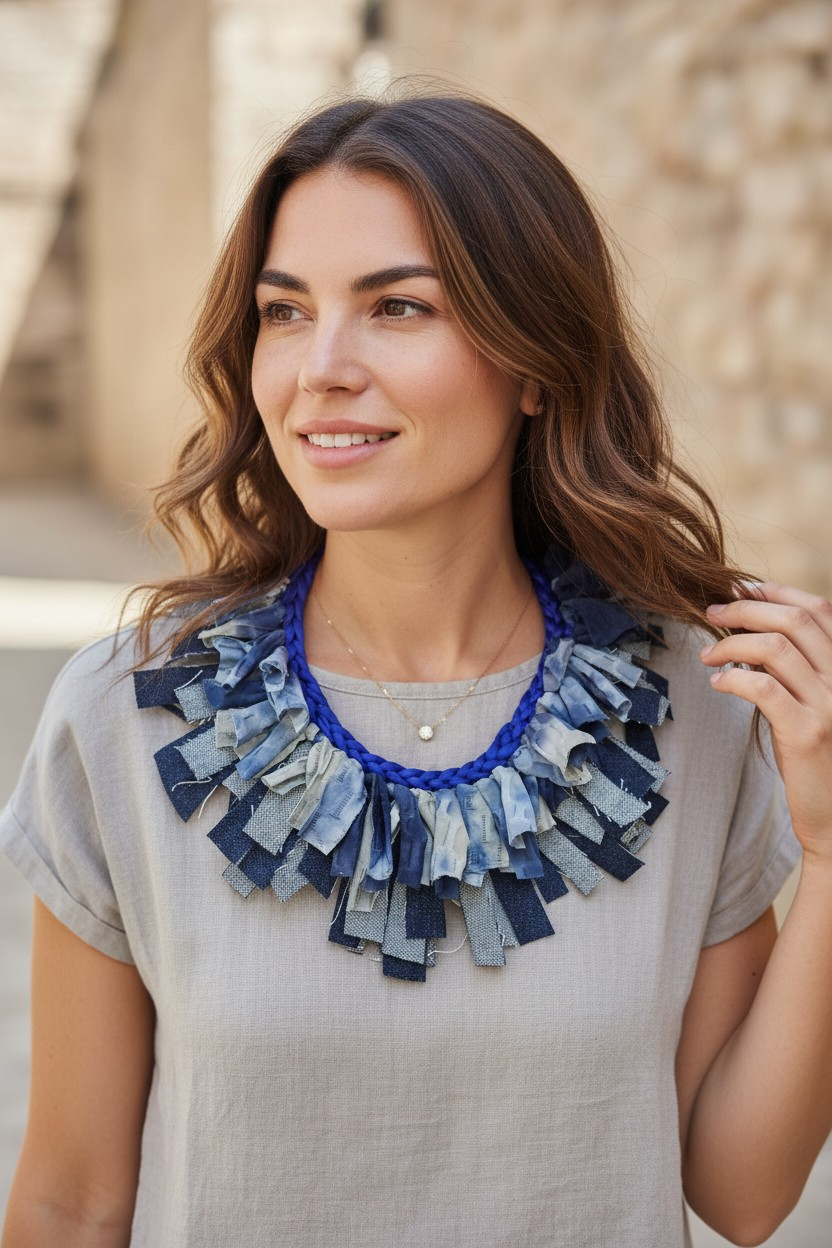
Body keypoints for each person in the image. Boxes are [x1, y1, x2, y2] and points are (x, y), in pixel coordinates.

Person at [1, 84, 830, 1248]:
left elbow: (741, 1194)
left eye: (397, 308)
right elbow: (69, 1202)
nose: (320, 368)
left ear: (535, 363)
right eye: (284, 314)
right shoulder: (128, 716)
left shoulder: (692, 709)